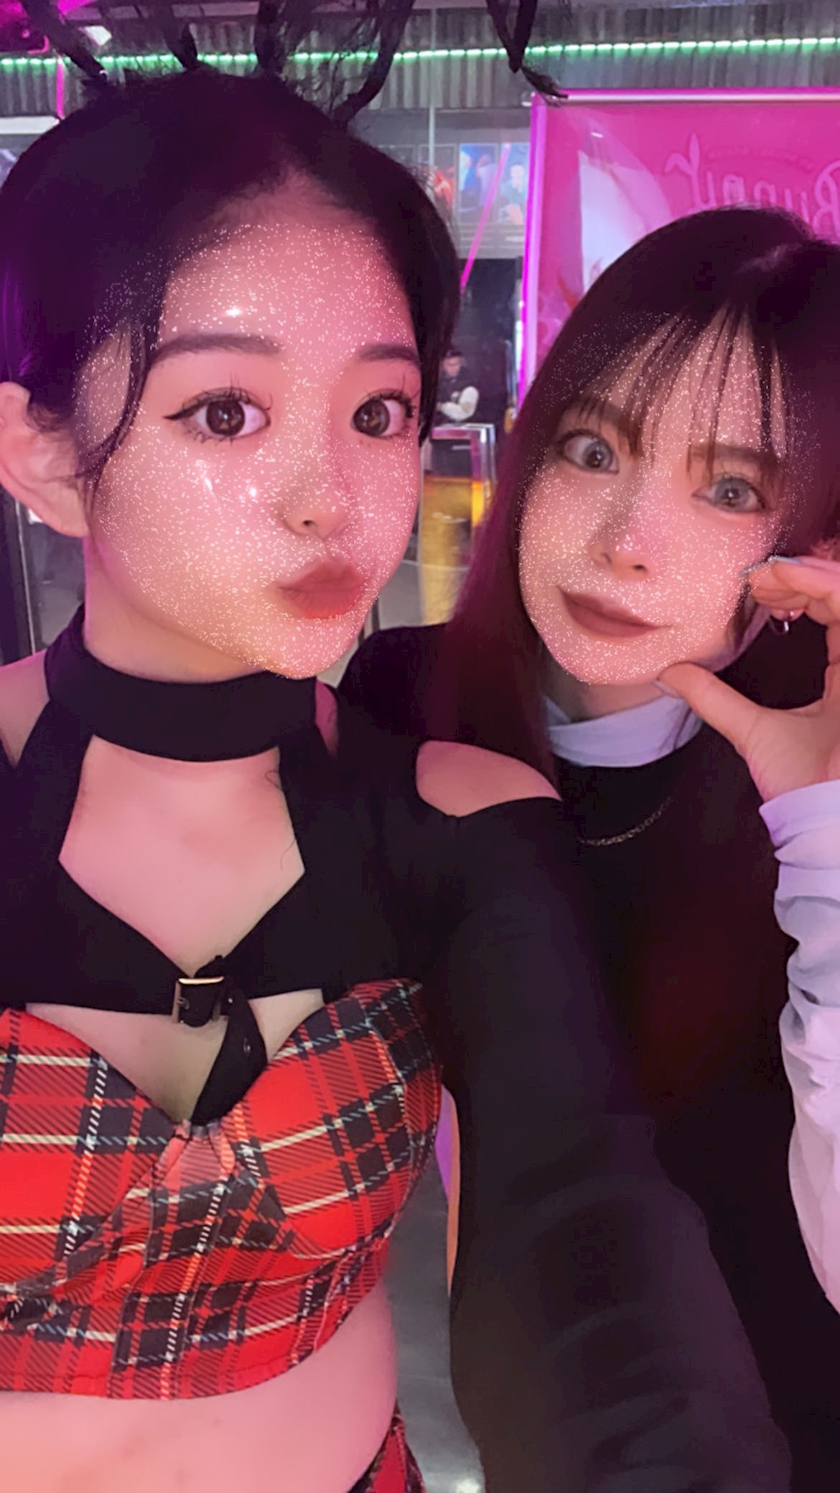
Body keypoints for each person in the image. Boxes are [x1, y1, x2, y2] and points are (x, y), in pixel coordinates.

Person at [0, 55, 794, 1490]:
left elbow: (580, 1236)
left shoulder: (460, 818)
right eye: (226, 411)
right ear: (43, 452)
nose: (333, 498)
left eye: (378, 413)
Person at [341, 204, 840, 1489]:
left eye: (731, 488)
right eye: (591, 446)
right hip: (535, 1412)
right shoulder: (402, 703)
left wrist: (826, 827)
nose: (626, 538)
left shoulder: (816, 777)